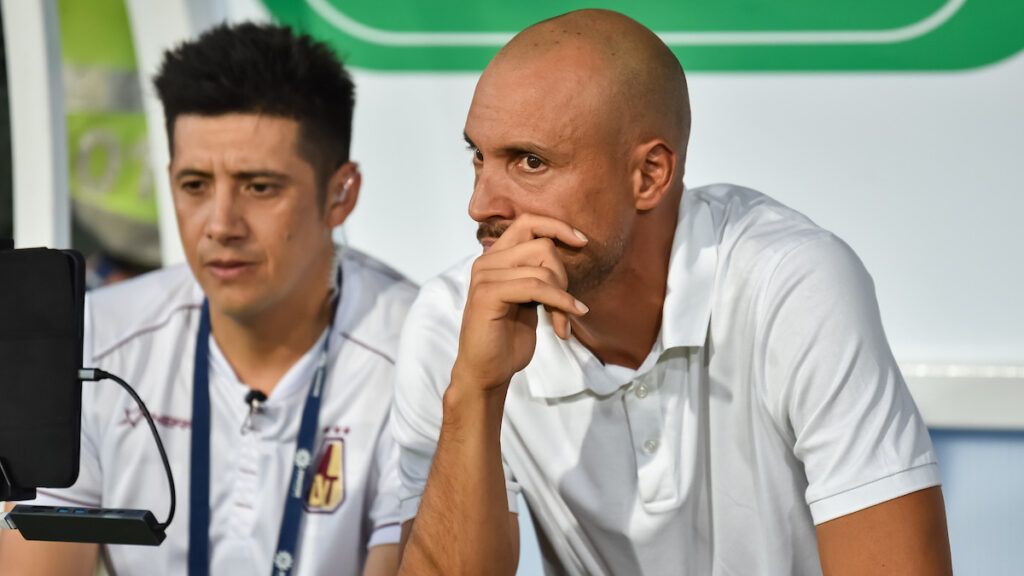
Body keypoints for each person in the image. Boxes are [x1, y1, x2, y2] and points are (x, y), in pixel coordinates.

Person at [392, 9, 952, 576]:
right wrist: (475, 393)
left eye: (530, 162)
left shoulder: (790, 284)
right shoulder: (451, 322)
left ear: (650, 175)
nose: (481, 204)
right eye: (479, 158)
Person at [0, 23, 414, 576]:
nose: (220, 225)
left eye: (259, 186)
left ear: (341, 194)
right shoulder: (97, 337)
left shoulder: (417, 350)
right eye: (195, 185)